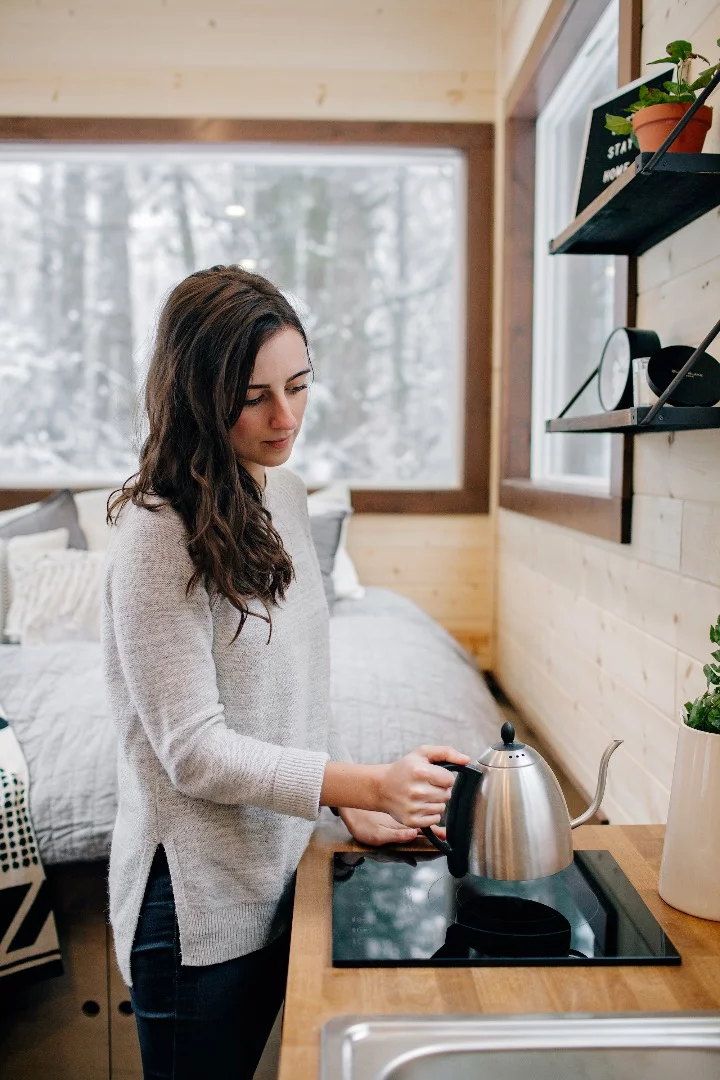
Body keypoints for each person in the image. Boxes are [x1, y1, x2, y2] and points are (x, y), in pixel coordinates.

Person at [102, 265, 469, 1080]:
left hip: (280, 878)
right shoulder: (157, 535)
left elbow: (292, 690)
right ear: (198, 393)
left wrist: (343, 801)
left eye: (298, 386)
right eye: (255, 396)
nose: (285, 417)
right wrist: (368, 783)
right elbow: (194, 753)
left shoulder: (289, 494)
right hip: (195, 910)